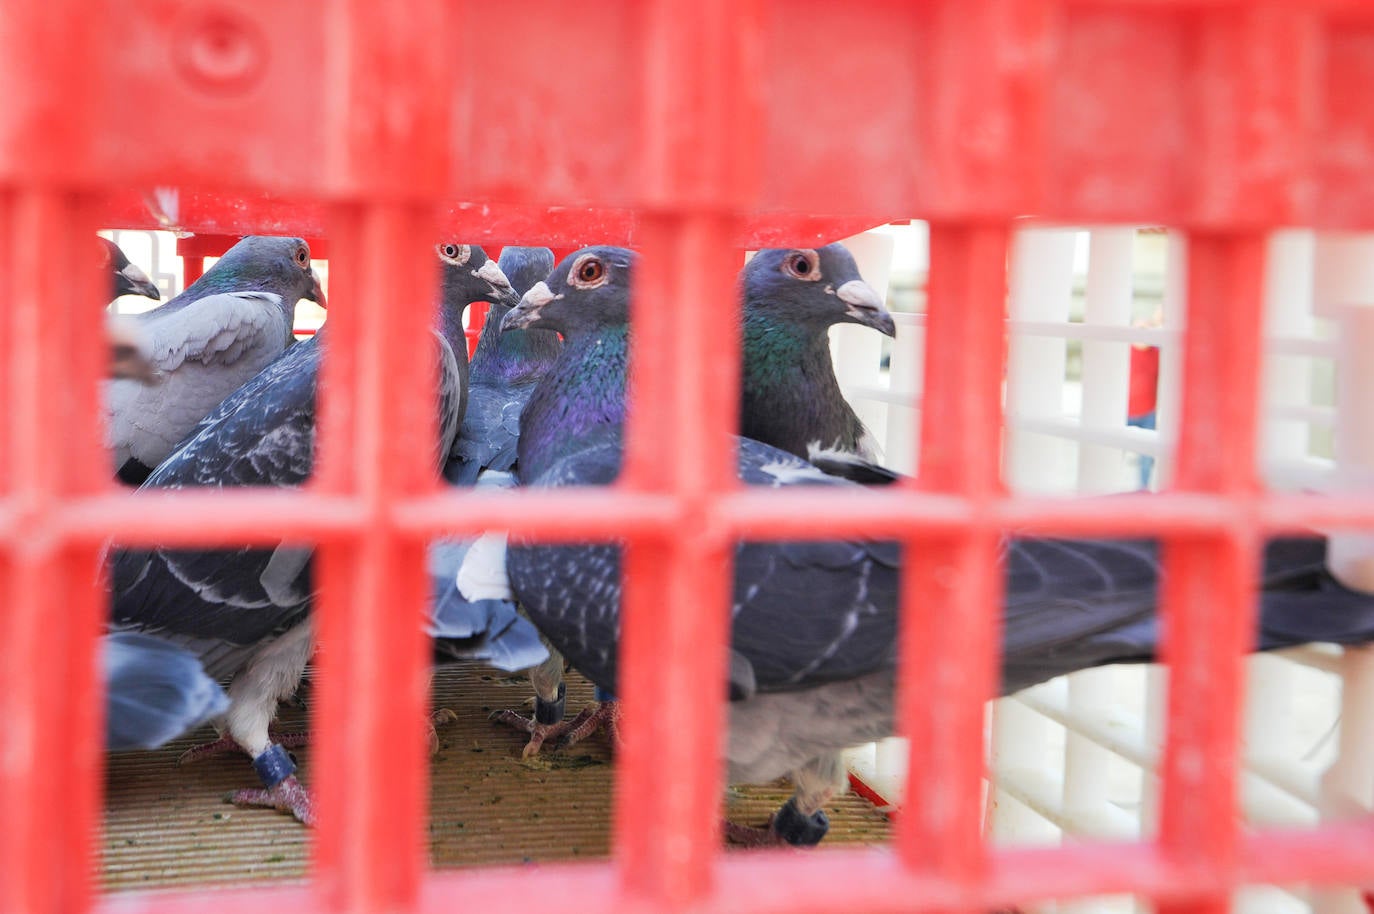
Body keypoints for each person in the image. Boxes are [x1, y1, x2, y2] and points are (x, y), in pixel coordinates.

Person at [1127, 309, 1162, 490]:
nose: (1143, 333)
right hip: (1124, 411)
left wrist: (1158, 319)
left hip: (1148, 412)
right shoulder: (1123, 351)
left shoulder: (1157, 352)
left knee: (1146, 457)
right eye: (1139, 328)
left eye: (1147, 329)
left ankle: (1143, 490)